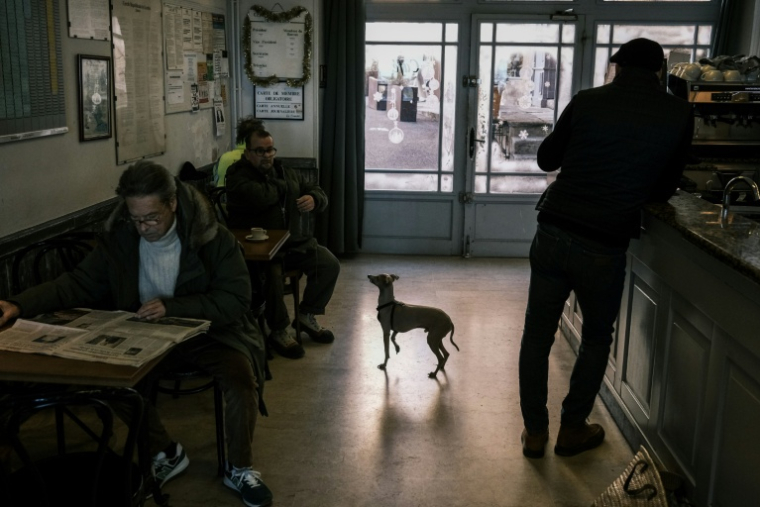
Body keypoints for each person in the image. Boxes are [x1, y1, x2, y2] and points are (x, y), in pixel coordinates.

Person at [0, 161, 273, 507]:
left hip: (210, 333)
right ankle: (167, 452)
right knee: (110, 383)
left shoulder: (210, 238)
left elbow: (235, 300)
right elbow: (78, 282)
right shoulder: (121, 238)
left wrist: (173, 307)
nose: (143, 228)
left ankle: (239, 466)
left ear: (172, 203)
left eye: (152, 218)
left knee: (240, 380)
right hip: (144, 331)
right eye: (136, 218)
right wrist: (18, 304)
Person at [518, 38, 694, 459]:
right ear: (657, 72)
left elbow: (546, 160)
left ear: (617, 66)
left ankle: (536, 433)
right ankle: (572, 429)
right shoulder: (679, 113)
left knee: (536, 336)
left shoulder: (587, 101)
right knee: (597, 338)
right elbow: (666, 188)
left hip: (554, 229)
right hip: (605, 241)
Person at [226, 117, 340, 360]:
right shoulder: (237, 176)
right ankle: (278, 330)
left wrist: (313, 198)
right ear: (247, 153)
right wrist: (286, 186)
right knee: (273, 275)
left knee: (328, 263)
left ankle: (306, 316)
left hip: (291, 243)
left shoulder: (283, 170)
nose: (267, 155)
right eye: (260, 151)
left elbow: (315, 189)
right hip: (257, 251)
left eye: (270, 149)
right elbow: (261, 196)